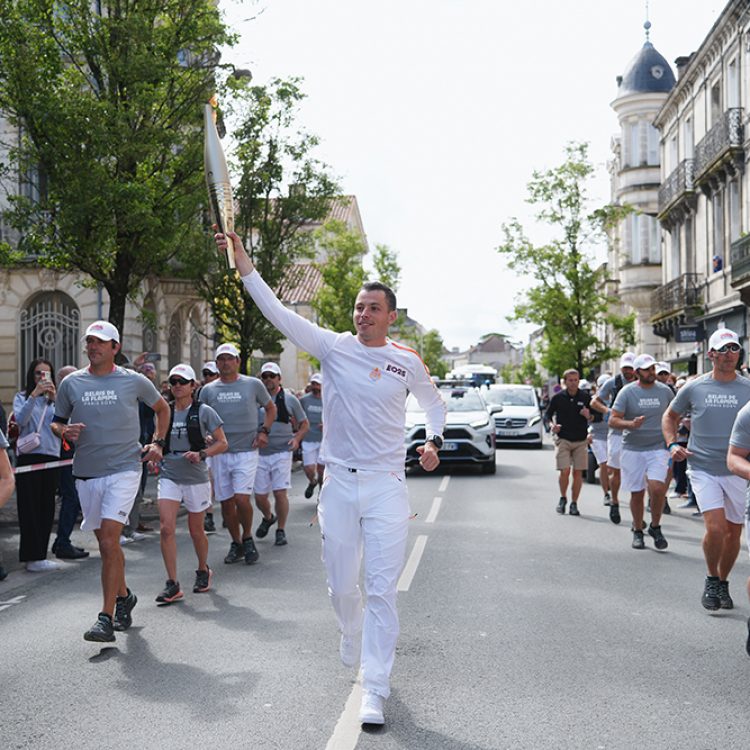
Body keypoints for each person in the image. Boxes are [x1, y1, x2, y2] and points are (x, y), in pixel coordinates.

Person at [215, 229, 446, 727]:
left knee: (382, 588)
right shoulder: (334, 347)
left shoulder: (407, 362)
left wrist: (432, 441)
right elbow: (277, 310)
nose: (363, 314)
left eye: (372, 308)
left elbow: (433, 404)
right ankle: (349, 629)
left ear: (391, 315)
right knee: (343, 585)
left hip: (386, 483)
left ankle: (375, 686)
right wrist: (242, 261)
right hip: (339, 483)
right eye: (358, 307)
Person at [51, 320, 170, 642]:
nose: (93, 346)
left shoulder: (133, 381)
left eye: (101, 342)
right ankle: (125, 596)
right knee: (108, 547)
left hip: (125, 469)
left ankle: (105, 617)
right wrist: (65, 431)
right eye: (90, 341)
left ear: (115, 348)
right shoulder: (72, 383)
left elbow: (162, 409)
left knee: (107, 542)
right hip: (87, 472)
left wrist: (157, 443)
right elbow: (56, 423)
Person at [665, 328, 750, 611]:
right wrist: (671, 444)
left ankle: (723, 581)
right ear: (711, 354)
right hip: (702, 468)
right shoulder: (694, 387)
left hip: (739, 471)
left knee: (733, 534)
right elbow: (670, 415)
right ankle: (711, 577)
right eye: (723, 350)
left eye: (734, 349)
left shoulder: (748, 388)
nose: (729, 355)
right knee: (716, 528)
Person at [153, 364, 227, 603]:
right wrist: (155, 452)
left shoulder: (204, 411)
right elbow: (158, 439)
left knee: (196, 531)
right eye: (173, 381)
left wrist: (202, 454)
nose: (176, 386)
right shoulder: (165, 411)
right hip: (169, 474)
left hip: (195, 476)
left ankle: (203, 569)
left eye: (182, 382)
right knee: (166, 528)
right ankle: (172, 583)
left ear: (193, 386)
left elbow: (222, 443)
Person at [198, 343, 276, 566]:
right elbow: (199, 417)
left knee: (242, 499)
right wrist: (204, 436)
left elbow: (271, 409)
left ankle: (248, 536)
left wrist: (264, 431)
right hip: (220, 454)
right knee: (226, 504)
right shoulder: (208, 390)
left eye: (229, 358)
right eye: (220, 359)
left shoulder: (252, 384)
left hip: (246, 450)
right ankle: (236, 543)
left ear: (237, 361)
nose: (225, 363)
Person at [609, 354, 673, 551]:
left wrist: (673, 437)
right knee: (637, 493)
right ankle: (638, 530)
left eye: (653, 368)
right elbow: (613, 420)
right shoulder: (627, 393)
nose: (651, 372)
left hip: (658, 447)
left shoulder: (666, 391)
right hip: (633, 448)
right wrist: (630, 424)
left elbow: (673, 415)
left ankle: (655, 526)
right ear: (637, 373)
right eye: (646, 369)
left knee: (657, 488)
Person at [13, 358, 62, 572]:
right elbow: (20, 421)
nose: (42, 378)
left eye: (47, 374)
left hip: (51, 456)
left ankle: (41, 555)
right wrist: (34, 395)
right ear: (31, 376)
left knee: (46, 506)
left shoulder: (54, 401)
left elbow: (63, 423)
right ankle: (30, 556)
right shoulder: (22, 397)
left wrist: (55, 398)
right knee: (29, 507)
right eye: (38, 374)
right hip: (29, 457)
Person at [253, 362, 308, 546]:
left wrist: (297, 439)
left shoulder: (290, 399)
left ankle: (281, 530)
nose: (268, 380)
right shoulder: (254, 399)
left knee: (279, 493)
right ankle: (269, 517)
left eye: (272, 376)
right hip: (259, 453)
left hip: (282, 453)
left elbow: (304, 423)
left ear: (279, 379)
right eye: (265, 376)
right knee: (260, 496)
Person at [590, 352, 637, 524]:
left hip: (636, 433)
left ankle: (636, 516)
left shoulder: (642, 383)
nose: (628, 371)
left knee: (635, 474)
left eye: (630, 368)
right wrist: (608, 411)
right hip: (616, 432)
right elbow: (595, 401)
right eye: (625, 368)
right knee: (614, 471)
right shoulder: (614, 382)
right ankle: (614, 501)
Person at [51, 365, 89, 560]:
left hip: (73, 456)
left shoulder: (76, 399)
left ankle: (61, 541)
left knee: (73, 499)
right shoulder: (57, 401)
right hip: (60, 457)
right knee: (71, 498)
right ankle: (63, 542)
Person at [545, 369, 591, 516]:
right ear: (565, 382)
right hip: (563, 439)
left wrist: (588, 415)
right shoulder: (558, 398)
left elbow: (596, 416)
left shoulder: (585, 397)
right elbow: (547, 415)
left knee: (578, 473)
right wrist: (552, 426)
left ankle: (574, 503)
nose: (573, 383)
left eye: (576, 380)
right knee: (565, 471)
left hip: (580, 440)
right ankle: (563, 497)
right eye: (570, 380)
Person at [199, 360, 221, 534]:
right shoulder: (201, 392)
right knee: (209, 480)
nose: (207, 378)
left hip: (225, 444)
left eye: (211, 374)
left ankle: (231, 513)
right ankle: (209, 516)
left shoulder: (225, 390)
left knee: (224, 485)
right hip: (208, 445)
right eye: (205, 374)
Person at [589, 374, 613, 514]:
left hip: (613, 436)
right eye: (602, 386)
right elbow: (586, 418)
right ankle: (606, 494)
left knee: (611, 468)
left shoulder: (616, 399)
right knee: (603, 464)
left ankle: (610, 488)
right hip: (597, 436)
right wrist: (586, 432)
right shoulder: (593, 401)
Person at [300, 373, 325, 499]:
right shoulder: (304, 400)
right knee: (309, 468)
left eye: (318, 384)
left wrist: (327, 425)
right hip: (308, 438)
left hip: (324, 440)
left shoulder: (329, 399)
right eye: (314, 384)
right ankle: (312, 482)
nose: (316, 386)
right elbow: (298, 416)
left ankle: (322, 493)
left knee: (321, 469)